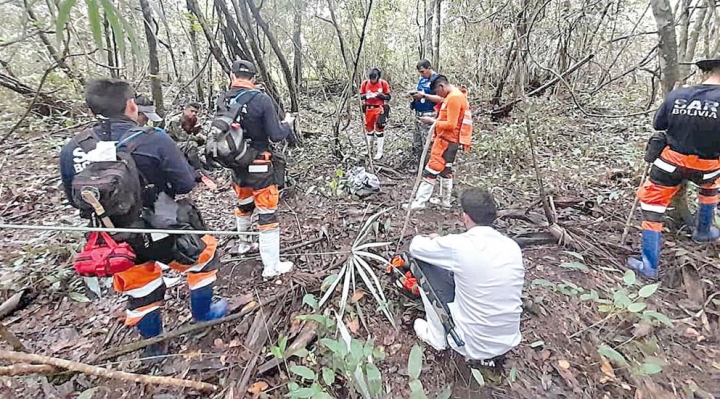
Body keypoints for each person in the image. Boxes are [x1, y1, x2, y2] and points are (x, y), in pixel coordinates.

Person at [59, 79, 227, 356]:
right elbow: (185, 184)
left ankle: (153, 347)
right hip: (161, 226)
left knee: (140, 286)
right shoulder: (153, 138)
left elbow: (73, 198)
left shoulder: (72, 148)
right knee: (204, 256)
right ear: (131, 105)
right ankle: (204, 313)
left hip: (110, 236)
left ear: (91, 110)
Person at [406, 188, 524, 362]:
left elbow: (415, 247)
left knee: (422, 264)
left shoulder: (459, 246)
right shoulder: (512, 247)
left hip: (470, 344)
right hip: (507, 342)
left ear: (465, 217)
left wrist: (436, 240)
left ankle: (436, 337)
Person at [628, 58, 720, 280]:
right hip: (708, 168)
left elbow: (659, 125)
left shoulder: (678, 95)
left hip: (670, 164)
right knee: (711, 187)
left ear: (705, 73)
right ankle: (703, 231)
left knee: (652, 205)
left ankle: (649, 265)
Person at [216, 59, 295, 278]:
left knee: (244, 204)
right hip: (259, 164)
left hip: (235, 164)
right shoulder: (261, 99)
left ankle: (244, 244)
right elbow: (276, 134)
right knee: (267, 212)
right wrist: (287, 123)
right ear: (254, 79)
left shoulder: (223, 99)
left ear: (232, 76)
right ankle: (271, 266)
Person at [404, 75, 472, 210]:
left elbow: (451, 124)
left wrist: (432, 122)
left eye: (436, 92)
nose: (437, 95)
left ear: (441, 87)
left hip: (446, 141)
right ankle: (445, 200)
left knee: (431, 169)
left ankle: (419, 202)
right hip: (450, 141)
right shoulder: (453, 95)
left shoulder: (454, 98)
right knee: (445, 170)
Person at [409, 60, 438, 164]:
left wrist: (424, 96)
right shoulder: (422, 79)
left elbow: (441, 98)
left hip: (430, 113)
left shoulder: (437, 80)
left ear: (429, 68)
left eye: (423, 71)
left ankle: (430, 169)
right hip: (418, 114)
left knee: (428, 144)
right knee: (418, 143)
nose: (421, 74)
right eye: (420, 72)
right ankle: (420, 167)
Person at [360, 68, 391, 160]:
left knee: (379, 129)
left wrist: (380, 95)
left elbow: (388, 96)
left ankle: (379, 152)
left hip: (379, 109)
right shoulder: (365, 83)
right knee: (369, 130)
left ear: (378, 77)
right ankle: (368, 150)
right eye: (371, 78)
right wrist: (366, 95)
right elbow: (360, 95)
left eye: (374, 78)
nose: (373, 80)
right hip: (369, 109)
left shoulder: (383, 83)